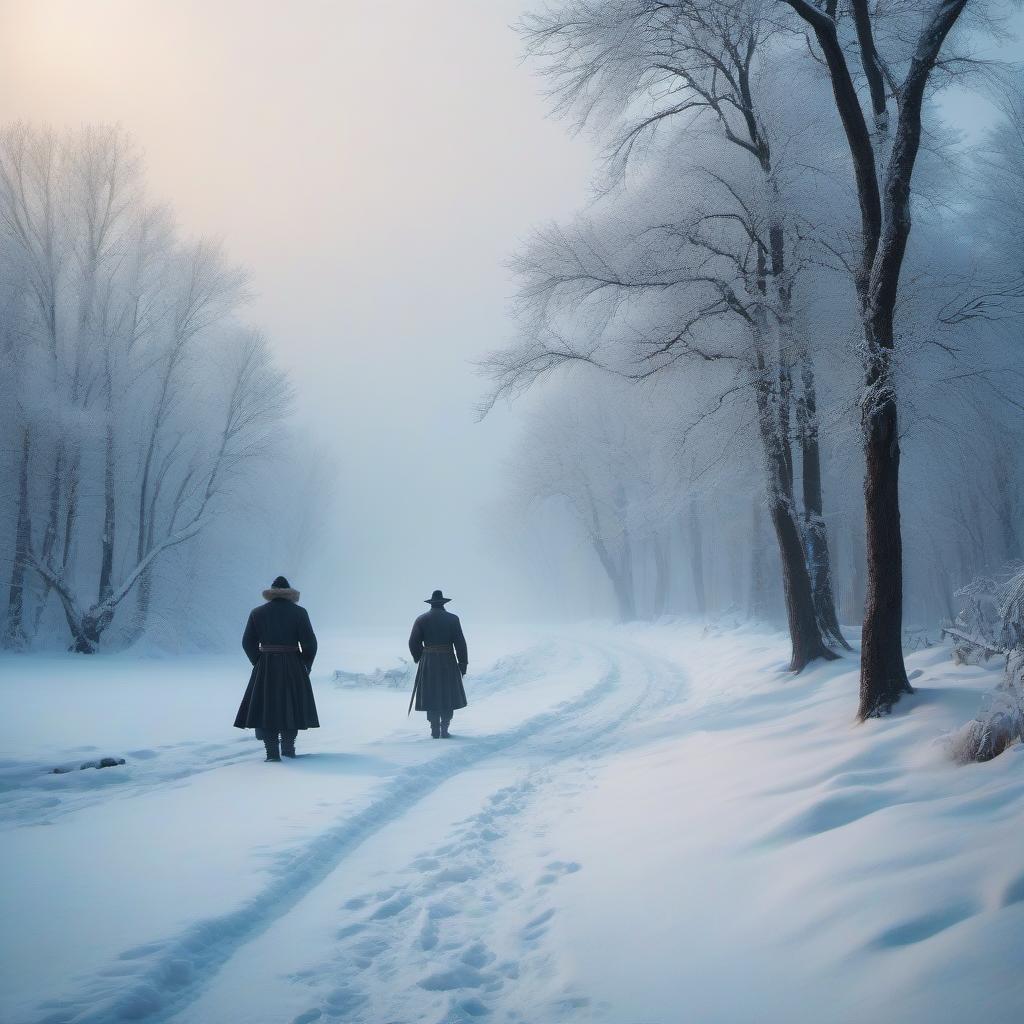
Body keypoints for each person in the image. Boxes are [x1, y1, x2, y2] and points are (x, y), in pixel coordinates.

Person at [234, 576, 319, 761]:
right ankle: (288, 751)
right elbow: (310, 643)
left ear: (271, 594)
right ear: (290, 594)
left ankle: (271, 754)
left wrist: (258, 661)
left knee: (267, 708)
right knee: (291, 706)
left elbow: (247, 642)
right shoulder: (299, 612)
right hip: (293, 665)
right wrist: (305, 664)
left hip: (265, 666)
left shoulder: (257, 612)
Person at [408, 590, 468, 738]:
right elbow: (460, 643)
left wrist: (420, 657)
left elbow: (412, 642)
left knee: (431, 694)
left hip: (428, 661)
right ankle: (444, 729)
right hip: (448, 660)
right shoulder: (453, 619)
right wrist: (463, 663)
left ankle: (434, 729)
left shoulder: (421, 619)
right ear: (443, 603)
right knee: (447, 694)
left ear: (431, 603)